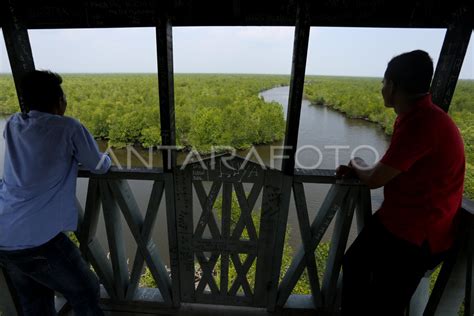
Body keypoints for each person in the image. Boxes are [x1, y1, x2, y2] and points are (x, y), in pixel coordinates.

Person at [337, 50, 465, 315]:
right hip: (402, 224)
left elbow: (374, 178)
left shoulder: (422, 124)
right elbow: (388, 169)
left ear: (393, 86)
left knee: (383, 302)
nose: (382, 88)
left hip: (416, 237)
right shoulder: (420, 117)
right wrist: (365, 170)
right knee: (354, 266)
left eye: (384, 82)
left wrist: (356, 163)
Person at [0, 70, 111, 315]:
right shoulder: (69, 127)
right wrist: (108, 159)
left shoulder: (14, 124)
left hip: (5, 236)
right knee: (87, 289)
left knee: (35, 303)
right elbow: (97, 166)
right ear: (58, 100)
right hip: (38, 239)